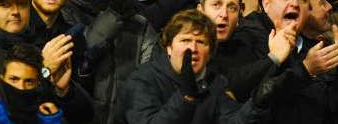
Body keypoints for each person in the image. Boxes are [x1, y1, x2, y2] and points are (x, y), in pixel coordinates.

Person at [116, 9, 274, 124]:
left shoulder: (215, 82)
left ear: (210, 52)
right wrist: (186, 97)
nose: (192, 48)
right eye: (185, 40)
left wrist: (256, 104)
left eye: (201, 42)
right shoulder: (143, 79)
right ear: (169, 47)